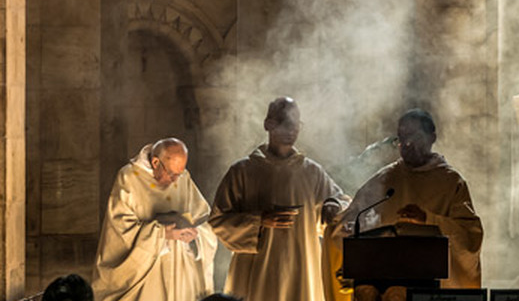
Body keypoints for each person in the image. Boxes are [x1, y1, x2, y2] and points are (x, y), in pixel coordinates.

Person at [210, 97, 350, 301]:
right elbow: (218, 220)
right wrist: (259, 221)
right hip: (258, 271)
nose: (292, 129)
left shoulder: (311, 172)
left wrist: (332, 205)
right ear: (268, 124)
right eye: (285, 121)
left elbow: (343, 202)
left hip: (301, 267)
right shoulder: (242, 171)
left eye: (296, 123)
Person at [339, 109, 482, 290]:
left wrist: (429, 220)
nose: (406, 144)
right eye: (401, 138)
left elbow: (470, 235)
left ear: (432, 137)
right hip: (387, 285)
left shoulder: (450, 182)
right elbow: (349, 223)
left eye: (413, 136)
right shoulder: (385, 179)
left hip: (433, 288)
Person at [92, 138, 216, 301]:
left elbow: (204, 218)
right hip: (147, 275)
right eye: (171, 174)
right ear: (156, 162)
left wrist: (195, 233)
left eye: (180, 174)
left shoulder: (182, 177)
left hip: (180, 271)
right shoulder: (129, 177)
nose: (175, 181)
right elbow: (119, 230)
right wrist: (161, 234)